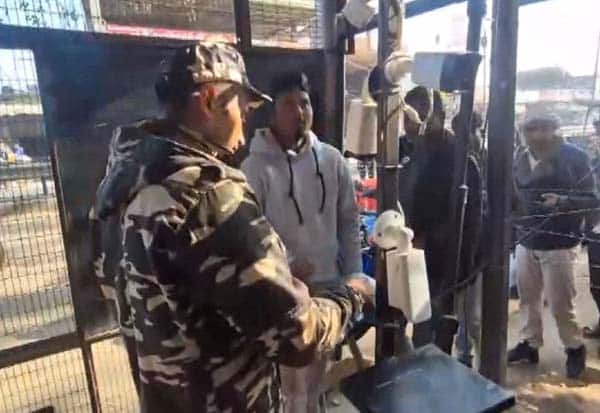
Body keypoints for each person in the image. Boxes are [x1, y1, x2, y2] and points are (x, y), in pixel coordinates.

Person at [90, 42, 372, 413]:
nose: (245, 123)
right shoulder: (208, 196)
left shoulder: (118, 188)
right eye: (242, 106)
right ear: (210, 100)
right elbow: (295, 335)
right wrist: (352, 294)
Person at [242, 72, 363, 413]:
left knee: (316, 384)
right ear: (272, 112)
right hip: (286, 294)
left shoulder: (332, 160)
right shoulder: (254, 168)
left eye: (305, 102)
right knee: (290, 389)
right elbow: (251, 236)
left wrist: (354, 275)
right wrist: (286, 269)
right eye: (289, 104)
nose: (299, 111)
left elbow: (349, 221)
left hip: (329, 289)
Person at [510, 114, 598, 379]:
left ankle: (574, 347)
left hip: (560, 240)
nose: (535, 136)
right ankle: (530, 343)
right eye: (529, 130)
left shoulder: (575, 157)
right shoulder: (520, 156)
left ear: (554, 131)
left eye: (541, 129)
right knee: (528, 299)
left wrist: (562, 201)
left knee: (561, 303)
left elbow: (592, 199)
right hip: (526, 237)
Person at [398, 87, 482, 355]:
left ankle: (454, 366)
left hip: (446, 260)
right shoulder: (405, 149)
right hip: (411, 255)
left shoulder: (460, 159)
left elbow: (471, 219)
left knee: (446, 325)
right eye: (407, 116)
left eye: (421, 114)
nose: (412, 122)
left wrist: (462, 266)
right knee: (417, 325)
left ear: (440, 116)